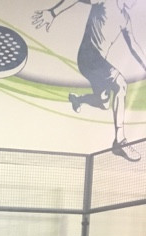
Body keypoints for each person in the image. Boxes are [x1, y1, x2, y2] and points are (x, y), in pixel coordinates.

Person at [32, 0, 146, 161]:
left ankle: (78, 100)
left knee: (104, 103)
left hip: (97, 64)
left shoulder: (126, 18)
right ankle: (120, 141)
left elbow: (134, 46)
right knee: (120, 85)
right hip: (89, 57)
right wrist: (52, 12)